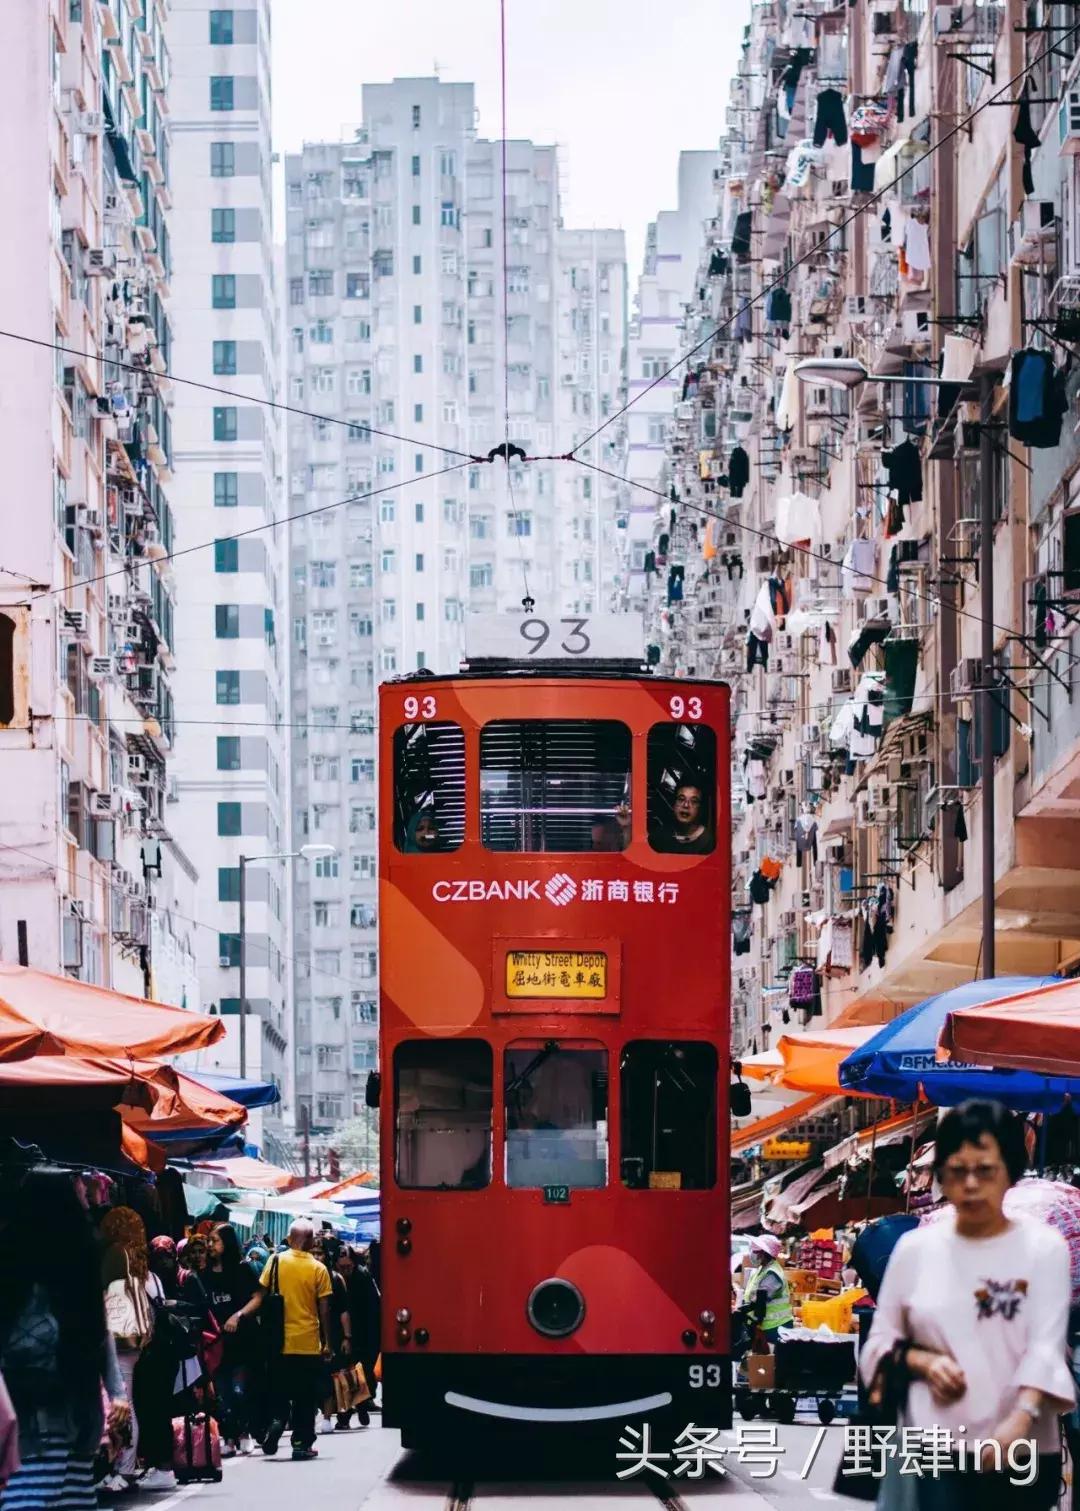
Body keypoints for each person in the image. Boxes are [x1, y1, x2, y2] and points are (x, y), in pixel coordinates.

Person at [861, 1100, 1075, 1510]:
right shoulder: (915, 1248)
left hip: (1021, 1448)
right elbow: (879, 1344)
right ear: (942, 1175)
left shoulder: (1042, 1248)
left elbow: (1046, 1346)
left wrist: (1021, 1417)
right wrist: (922, 1363)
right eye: (959, 1171)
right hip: (933, 1447)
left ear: (1010, 1172)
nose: (971, 1184)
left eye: (985, 1170)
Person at [0, 1172, 131, 1511]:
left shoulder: (15, 1271)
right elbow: (98, 1333)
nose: (88, 1202)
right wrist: (116, 1392)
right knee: (70, 1497)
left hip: (32, 1415)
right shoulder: (79, 1267)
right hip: (75, 1413)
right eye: (81, 1197)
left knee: (29, 1497)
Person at [230, 1219, 333, 1462]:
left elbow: (261, 1295)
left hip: (277, 1341)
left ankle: (277, 1421)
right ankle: (301, 1443)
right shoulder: (318, 1268)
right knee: (305, 1397)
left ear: (289, 1239)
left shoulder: (275, 1261)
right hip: (307, 1342)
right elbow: (325, 1308)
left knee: (279, 1389)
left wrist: (239, 1314)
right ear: (309, 1240)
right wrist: (327, 1342)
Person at [100, 1206, 178, 1492]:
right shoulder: (139, 1258)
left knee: (123, 1401)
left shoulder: (115, 1254)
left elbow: (105, 1292)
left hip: (119, 1338)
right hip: (136, 1341)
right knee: (128, 1400)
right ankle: (123, 1465)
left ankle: (124, 1466)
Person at [203, 1224, 257, 1456]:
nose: (210, 1245)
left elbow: (258, 1297)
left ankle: (245, 1432)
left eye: (214, 1241)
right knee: (222, 1394)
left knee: (239, 1391)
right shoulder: (204, 1273)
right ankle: (229, 1437)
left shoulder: (242, 1269)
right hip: (216, 1344)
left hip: (242, 1342)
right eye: (209, 1241)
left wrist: (238, 1315)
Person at [336, 1246, 380, 1427]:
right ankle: (356, 1407)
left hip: (364, 1334)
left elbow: (372, 1309)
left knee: (357, 1370)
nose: (345, 1270)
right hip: (344, 1333)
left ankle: (353, 1410)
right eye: (342, 1267)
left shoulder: (362, 1277)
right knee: (345, 1372)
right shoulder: (336, 1278)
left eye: (348, 1267)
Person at [311, 1234, 351, 1433]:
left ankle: (329, 1416)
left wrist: (346, 1337)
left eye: (320, 1253)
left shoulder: (336, 1279)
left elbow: (344, 1311)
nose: (317, 1257)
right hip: (308, 1333)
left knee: (329, 1376)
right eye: (314, 1253)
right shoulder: (305, 1276)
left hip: (331, 1334)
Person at [740, 1234, 793, 1347]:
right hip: (765, 1326)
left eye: (755, 1251)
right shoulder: (762, 1269)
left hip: (775, 1327)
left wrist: (742, 1310)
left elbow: (760, 1299)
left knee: (770, 1362)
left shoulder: (772, 1274)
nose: (752, 1254)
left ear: (764, 1254)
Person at [653, 783, 713, 854]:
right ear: (674, 804)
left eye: (694, 801)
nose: (686, 805)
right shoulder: (659, 835)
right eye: (681, 799)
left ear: (701, 808)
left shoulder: (709, 843)